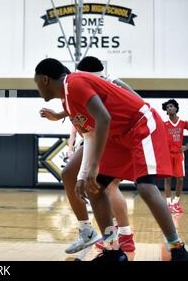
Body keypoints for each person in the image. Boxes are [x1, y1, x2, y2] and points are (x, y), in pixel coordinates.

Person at [34, 58, 188, 261]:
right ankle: (113, 251)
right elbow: (90, 135)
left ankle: (177, 248)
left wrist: (94, 166)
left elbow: (104, 118)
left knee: (145, 187)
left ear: (44, 79)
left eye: (35, 83)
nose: (36, 88)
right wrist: (84, 174)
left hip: (139, 126)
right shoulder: (67, 99)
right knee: (94, 186)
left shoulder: (74, 82)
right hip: (118, 136)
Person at [39, 56, 135, 253]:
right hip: (95, 134)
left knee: (106, 186)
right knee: (70, 175)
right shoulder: (72, 88)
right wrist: (59, 115)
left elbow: (137, 104)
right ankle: (90, 231)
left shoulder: (111, 83)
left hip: (115, 136)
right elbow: (80, 105)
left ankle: (124, 235)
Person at [162, 99, 188, 213]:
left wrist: (187, 146)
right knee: (167, 179)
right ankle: (168, 204)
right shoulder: (164, 124)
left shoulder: (183, 123)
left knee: (180, 179)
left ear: (176, 108)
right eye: (167, 107)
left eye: (171, 106)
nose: (169, 108)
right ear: (166, 111)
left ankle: (176, 203)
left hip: (179, 154)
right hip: (168, 155)